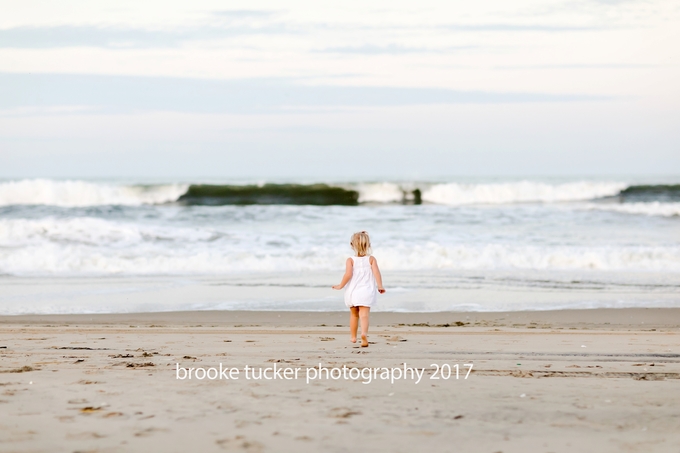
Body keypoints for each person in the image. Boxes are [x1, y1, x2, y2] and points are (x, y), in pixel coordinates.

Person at [332, 231, 385, 347]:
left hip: (353, 291)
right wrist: (380, 285)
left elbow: (348, 275)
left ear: (351, 245)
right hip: (367, 291)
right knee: (364, 315)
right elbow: (377, 273)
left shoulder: (350, 260)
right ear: (368, 245)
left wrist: (340, 285)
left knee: (354, 315)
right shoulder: (371, 259)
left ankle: (353, 337)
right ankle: (364, 334)